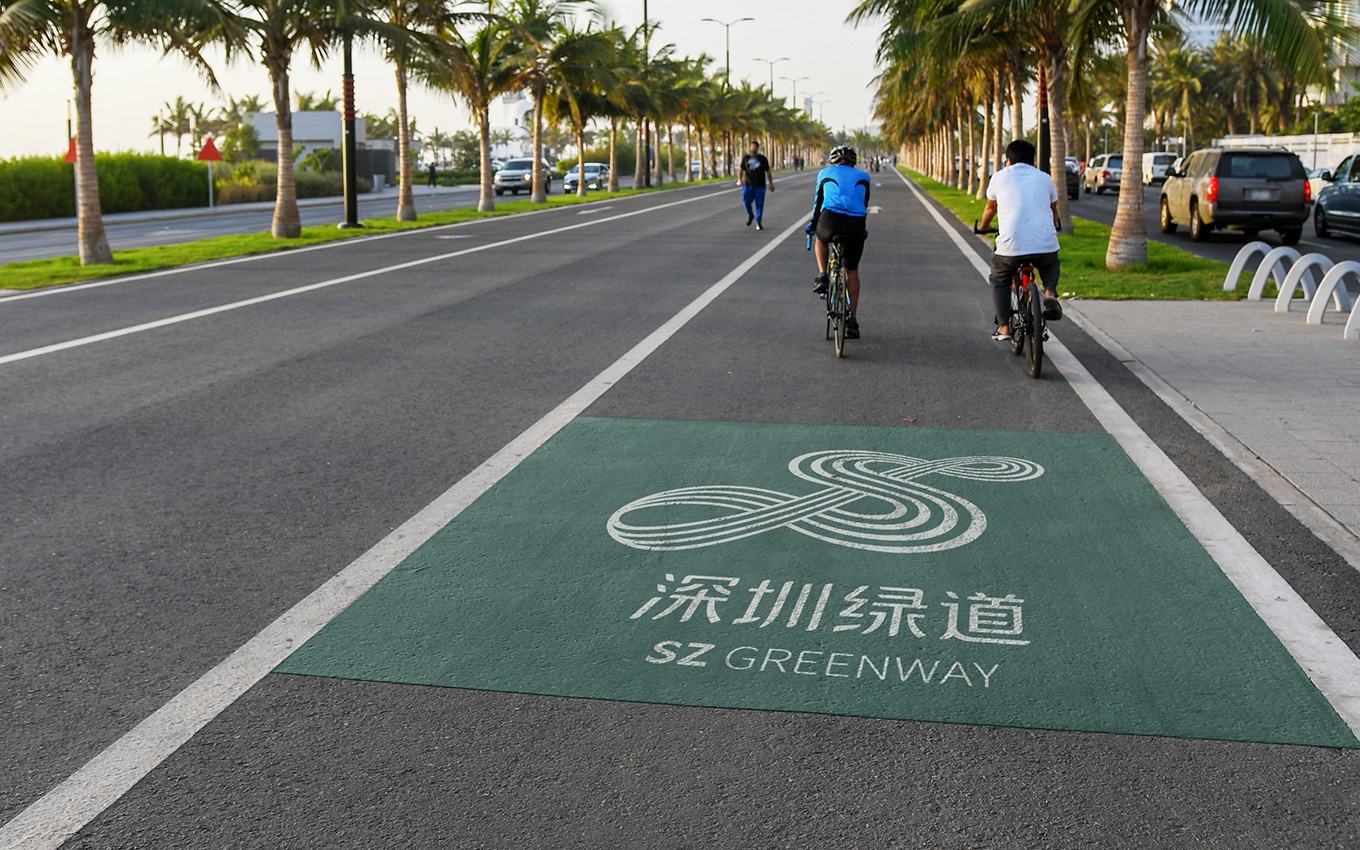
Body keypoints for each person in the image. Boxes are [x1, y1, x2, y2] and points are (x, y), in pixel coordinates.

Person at [975, 139, 1063, 341]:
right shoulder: (1045, 178)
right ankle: (1050, 293)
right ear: (1032, 160)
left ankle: (1004, 327)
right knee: (1050, 263)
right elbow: (1053, 210)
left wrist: (983, 227)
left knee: (999, 278)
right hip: (1045, 244)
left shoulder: (999, 177)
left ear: (1008, 160)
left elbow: (990, 208)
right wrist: (1055, 225)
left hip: (1011, 247)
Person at [807, 144, 870, 339]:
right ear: (853, 162)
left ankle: (823, 275)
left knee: (820, 238)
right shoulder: (864, 176)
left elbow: (818, 204)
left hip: (830, 220)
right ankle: (852, 320)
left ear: (833, 161)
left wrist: (812, 225)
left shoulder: (824, 173)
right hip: (855, 224)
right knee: (852, 271)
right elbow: (863, 204)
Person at [738, 141, 775, 230]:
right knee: (746, 202)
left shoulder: (762, 159)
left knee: (759, 204)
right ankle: (750, 215)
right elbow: (741, 169)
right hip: (748, 185)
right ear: (750, 147)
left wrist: (771, 183)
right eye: (752, 146)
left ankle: (758, 222)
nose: (753, 148)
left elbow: (768, 171)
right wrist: (739, 179)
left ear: (758, 148)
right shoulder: (746, 158)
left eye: (755, 146)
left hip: (760, 186)